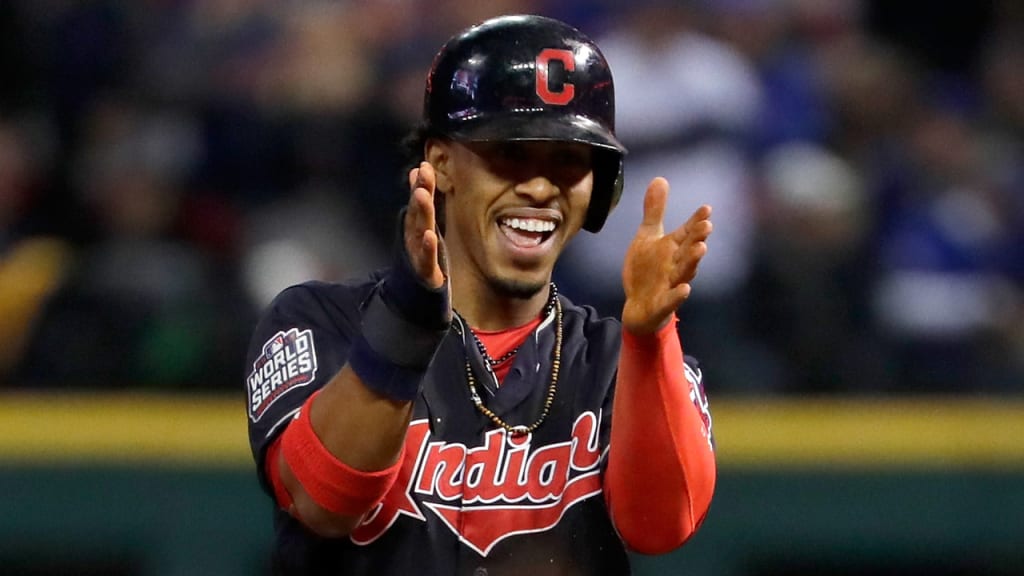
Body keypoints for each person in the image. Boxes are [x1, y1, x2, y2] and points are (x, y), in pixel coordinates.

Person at [245, 14, 716, 575]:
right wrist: (406, 323)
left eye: (568, 162)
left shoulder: (615, 359)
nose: (539, 187)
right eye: (511, 154)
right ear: (441, 164)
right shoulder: (321, 321)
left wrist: (651, 340)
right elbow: (321, 502)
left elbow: (661, 526)